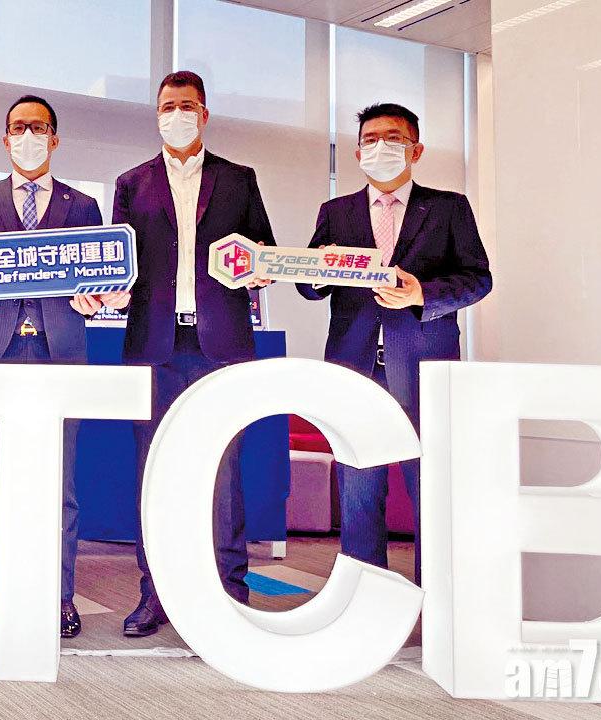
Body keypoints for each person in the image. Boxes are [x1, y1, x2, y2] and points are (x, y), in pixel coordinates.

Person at [297, 102, 492, 581]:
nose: (380, 147)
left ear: (415, 150)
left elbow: (478, 278)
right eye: (370, 140)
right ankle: (368, 598)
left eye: (393, 139)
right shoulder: (336, 212)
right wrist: (322, 268)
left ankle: (438, 601)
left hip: (425, 366)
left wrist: (423, 293)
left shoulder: (448, 208)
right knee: (359, 491)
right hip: (355, 367)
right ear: (357, 151)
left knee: (430, 489)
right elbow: (308, 285)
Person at [111, 71, 275, 638]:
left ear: (203, 114)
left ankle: (230, 589)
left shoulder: (238, 179)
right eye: (167, 106)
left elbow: (263, 250)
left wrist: (261, 268)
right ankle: (154, 592)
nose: (176, 114)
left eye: (186, 106)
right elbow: (116, 260)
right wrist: (105, 289)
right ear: (156, 114)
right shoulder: (132, 183)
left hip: (220, 344)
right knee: (154, 471)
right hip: (153, 345)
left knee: (222, 472)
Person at [0, 95, 120, 639]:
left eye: (38, 127)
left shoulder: (83, 205)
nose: (28, 136)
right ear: (5, 139)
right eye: (18, 127)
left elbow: (97, 279)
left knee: (60, 484)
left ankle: (61, 597)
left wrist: (95, 299)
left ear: (54, 138)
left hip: (61, 352)